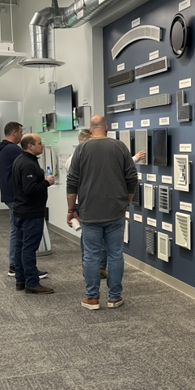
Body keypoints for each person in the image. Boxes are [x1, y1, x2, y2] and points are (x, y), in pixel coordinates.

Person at [66, 115, 137, 310]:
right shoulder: (120, 147)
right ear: (106, 129)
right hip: (116, 210)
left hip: (89, 211)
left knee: (91, 256)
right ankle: (114, 297)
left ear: (90, 131)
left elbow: (71, 183)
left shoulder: (81, 149)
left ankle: (92, 298)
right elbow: (132, 178)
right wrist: (127, 202)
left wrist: (71, 210)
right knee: (115, 254)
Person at [0, 122, 47, 282]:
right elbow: (28, 182)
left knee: (17, 233)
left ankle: (17, 267)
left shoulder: (3, 149)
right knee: (21, 237)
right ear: (14, 133)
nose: (22, 135)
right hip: (19, 199)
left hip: (11, 196)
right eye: (21, 132)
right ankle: (17, 267)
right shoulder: (14, 151)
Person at [11, 134, 55, 295]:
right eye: (39, 143)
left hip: (21, 210)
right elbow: (30, 190)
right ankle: (32, 283)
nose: (42, 146)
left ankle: (21, 280)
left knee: (20, 247)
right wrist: (46, 182)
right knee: (28, 249)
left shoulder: (20, 160)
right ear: (30, 146)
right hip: (30, 213)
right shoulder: (28, 164)